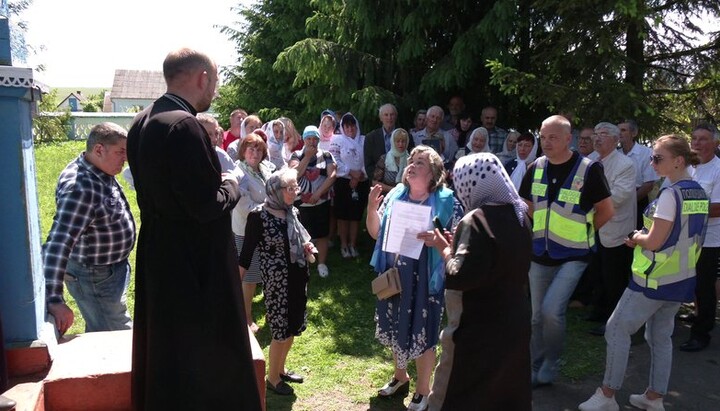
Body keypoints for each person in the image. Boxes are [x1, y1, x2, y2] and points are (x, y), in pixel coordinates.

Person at [126, 48, 261, 410]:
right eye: (214, 82)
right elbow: (206, 205)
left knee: (165, 353)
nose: (213, 91)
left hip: (160, 254)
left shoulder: (142, 121)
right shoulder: (184, 126)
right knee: (203, 362)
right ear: (202, 77)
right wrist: (232, 182)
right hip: (195, 266)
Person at [578, 135, 708, 411]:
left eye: (658, 158)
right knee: (660, 337)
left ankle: (607, 395)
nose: (652, 163)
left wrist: (637, 237)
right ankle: (654, 398)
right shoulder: (698, 191)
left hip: (653, 278)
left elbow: (656, 241)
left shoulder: (671, 194)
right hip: (681, 279)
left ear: (678, 161)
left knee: (615, 330)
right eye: (652, 157)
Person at [423, 152, 532, 411]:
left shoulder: (476, 220)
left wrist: (444, 249)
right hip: (515, 322)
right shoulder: (521, 214)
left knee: (461, 393)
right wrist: (458, 246)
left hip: (479, 328)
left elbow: (459, 276)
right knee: (504, 392)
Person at [518, 115, 614, 388]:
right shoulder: (535, 167)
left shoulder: (589, 169)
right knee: (536, 314)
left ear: (567, 139)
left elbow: (607, 211)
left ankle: (551, 361)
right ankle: (534, 363)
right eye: (543, 136)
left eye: (553, 137)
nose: (546, 142)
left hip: (574, 255)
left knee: (551, 311)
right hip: (539, 253)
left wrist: (583, 234)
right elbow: (525, 205)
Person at [367, 146, 464, 411]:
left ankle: (424, 389)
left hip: (425, 277)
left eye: (420, 162)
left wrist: (439, 242)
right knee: (396, 323)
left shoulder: (447, 201)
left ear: (433, 174)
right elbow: (376, 234)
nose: (412, 165)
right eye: (411, 161)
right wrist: (371, 208)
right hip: (394, 273)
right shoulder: (396, 195)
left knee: (424, 330)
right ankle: (400, 376)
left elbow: (457, 243)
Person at [43, 122, 135, 335]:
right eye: (120, 152)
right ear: (99, 149)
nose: (126, 159)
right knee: (117, 336)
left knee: (100, 326)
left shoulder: (98, 169)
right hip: (96, 277)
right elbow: (58, 243)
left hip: (108, 272)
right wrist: (54, 298)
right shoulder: (81, 188)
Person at [239, 168, 315, 396]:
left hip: (298, 278)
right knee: (280, 331)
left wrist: (306, 247)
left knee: (292, 326)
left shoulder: (292, 212)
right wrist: (234, 285)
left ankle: (280, 369)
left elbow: (298, 239)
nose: (295, 191)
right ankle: (272, 378)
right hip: (277, 283)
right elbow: (246, 255)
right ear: (276, 190)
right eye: (290, 188)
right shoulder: (258, 216)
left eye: (296, 187)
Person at [585, 123, 637, 337]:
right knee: (597, 272)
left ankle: (614, 321)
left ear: (616, 140)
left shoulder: (625, 164)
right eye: (596, 134)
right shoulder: (590, 162)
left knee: (614, 277)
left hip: (616, 229)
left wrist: (587, 201)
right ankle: (599, 310)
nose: (597, 138)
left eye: (603, 135)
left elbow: (619, 196)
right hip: (594, 225)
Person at [680, 123, 720, 352]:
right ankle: (697, 315)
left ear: (715, 143)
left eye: (703, 139)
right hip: (687, 235)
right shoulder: (690, 167)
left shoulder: (718, 169)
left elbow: (717, 208)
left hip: (710, 239)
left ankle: (701, 333)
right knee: (692, 280)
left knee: (705, 286)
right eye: (694, 138)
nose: (696, 143)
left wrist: (685, 206)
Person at [233, 133, 275, 334]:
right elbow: (244, 204)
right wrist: (271, 209)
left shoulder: (265, 168)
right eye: (251, 148)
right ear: (243, 150)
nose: (255, 153)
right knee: (249, 277)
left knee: (268, 271)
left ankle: (271, 311)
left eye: (259, 149)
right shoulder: (239, 171)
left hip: (268, 228)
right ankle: (246, 319)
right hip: (246, 230)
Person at [289, 125, 337, 278]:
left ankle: (322, 263)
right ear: (304, 139)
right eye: (308, 138)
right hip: (301, 203)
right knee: (301, 235)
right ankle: (304, 264)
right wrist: (307, 157)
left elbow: (332, 175)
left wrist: (318, 193)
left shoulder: (327, 155)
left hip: (321, 201)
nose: (312, 141)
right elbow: (294, 174)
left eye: (315, 138)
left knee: (322, 233)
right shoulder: (296, 155)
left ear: (319, 139)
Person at [329, 113, 369, 258]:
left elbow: (368, 160)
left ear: (356, 126)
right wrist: (350, 173)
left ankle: (353, 244)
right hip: (343, 182)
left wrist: (359, 175)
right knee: (343, 215)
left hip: (361, 181)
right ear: (343, 127)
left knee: (355, 215)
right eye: (347, 126)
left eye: (352, 125)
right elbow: (335, 160)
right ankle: (344, 245)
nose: (350, 129)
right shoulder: (337, 140)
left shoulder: (364, 140)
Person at [618, 120, 658, 229]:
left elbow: (649, 184)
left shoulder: (646, 153)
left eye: (623, 130)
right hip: (618, 198)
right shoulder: (616, 154)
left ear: (633, 133)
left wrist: (631, 202)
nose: (619, 133)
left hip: (638, 199)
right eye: (617, 130)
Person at [365, 103, 398, 180]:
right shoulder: (371, 138)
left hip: (400, 182)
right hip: (379, 183)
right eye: (386, 115)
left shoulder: (405, 135)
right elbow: (368, 165)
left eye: (392, 115)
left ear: (395, 117)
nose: (389, 118)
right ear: (381, 118)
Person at [372, 128, 410, 194]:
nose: (400, 144)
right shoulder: (384, 158)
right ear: (393, 142)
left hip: (406, 197)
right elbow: (375, 182)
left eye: (403, 141)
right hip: (387, 196)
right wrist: (394, 190)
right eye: (398, 141)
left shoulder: (410, 159)